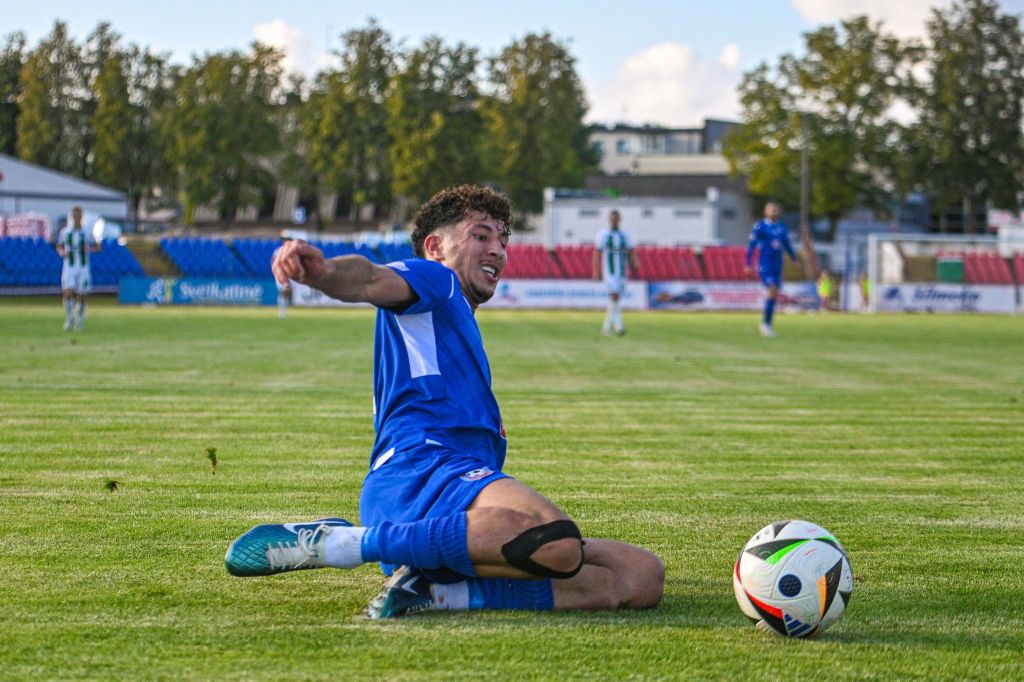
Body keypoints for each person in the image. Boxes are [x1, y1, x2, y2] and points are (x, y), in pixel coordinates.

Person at [225, 185, 664, 618]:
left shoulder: (450, 316)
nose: (498, 250)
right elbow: (370, 278)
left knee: (640, 576)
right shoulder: (437, 279)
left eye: (503, 240)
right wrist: (321, 273)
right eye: (481, 236)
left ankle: (435, 592)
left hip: (452, 500)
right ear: (435, 246)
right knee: (555, 541)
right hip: (420, 473)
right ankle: (342, 543)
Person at [745, 202, 801, 337]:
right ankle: (766, 326)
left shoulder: (782, 227)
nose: (775, 210)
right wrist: (748, 263)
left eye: (776, 208)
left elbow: (787, 245)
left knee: (774, 295)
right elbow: (752, 246)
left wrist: (795, 259)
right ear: (766, 211)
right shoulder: (760, 226)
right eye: (772, 208)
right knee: (772, 290)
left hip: (778, 265)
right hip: (765, 265)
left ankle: (766, 323)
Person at [592, 210, 638, 336]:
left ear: (619, 220)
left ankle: (614, 327)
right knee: (614, 296)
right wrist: (596, 271)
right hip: (609, 272)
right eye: (612, 219)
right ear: (609, 220)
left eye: (616, 219)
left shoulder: (625, 235)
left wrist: (635, 262)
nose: (614, 221)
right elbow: (596, 254)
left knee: (615, 300)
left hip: (623, 271)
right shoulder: (603, 235)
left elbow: (631, 250)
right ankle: (613, 328)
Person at [55, 206, 101, 332]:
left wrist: (90, 249)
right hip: (69, 267)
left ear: (82, 217)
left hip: (83, 267)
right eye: (74, 216)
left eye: (79, 216)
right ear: (71, 217)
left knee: (82, 295)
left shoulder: (86, 232)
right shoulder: (65, 232)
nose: (76, 218)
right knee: (67, 292)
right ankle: (70, 318)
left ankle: (79, 320)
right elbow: (59, 246)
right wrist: (62, 252)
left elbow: (98, 247)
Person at [272, 236, 293, 319]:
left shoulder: (291, 251)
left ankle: (284, 310)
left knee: (286, 292)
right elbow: (273, 262)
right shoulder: (278, 251)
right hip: (280, 273)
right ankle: (282, 312)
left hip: (289, 274)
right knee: (284, 291)